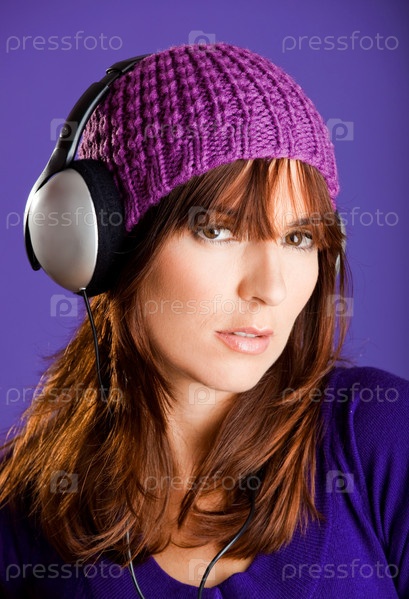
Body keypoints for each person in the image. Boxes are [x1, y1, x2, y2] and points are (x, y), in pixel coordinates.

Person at [0, 42, 408, 598]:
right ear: (102, 245)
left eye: (298, 238)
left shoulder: (383, 436)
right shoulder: (22, 510)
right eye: (217, 230)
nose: (271, 289)